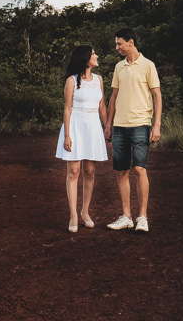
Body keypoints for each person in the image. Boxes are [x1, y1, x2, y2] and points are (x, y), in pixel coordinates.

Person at [104, 27, 161, 233]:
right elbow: (113, 97)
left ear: (131, 42)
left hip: (140, 124)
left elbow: (157, 96)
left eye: (119, 43)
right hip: (119, 125)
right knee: (121, 171)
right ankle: (126, 216)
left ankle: (142, 217)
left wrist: (156, 124)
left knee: (139, 169)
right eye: (116, 44)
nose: (117, 47)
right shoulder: (119, 67)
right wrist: (109, 124)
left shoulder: (148, 65)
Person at [55, 44, 109, 232]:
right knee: (74, 171)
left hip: (93, 126)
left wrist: (107, 126)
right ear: (85, 59)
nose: (97, 56)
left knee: (90, 172)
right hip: (76, 127)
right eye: (93, 54)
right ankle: (73, 216)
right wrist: (67, 135)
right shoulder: (71, 80)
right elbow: (67, 108)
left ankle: (85, 212)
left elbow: (102, 106)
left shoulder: (99, 80)